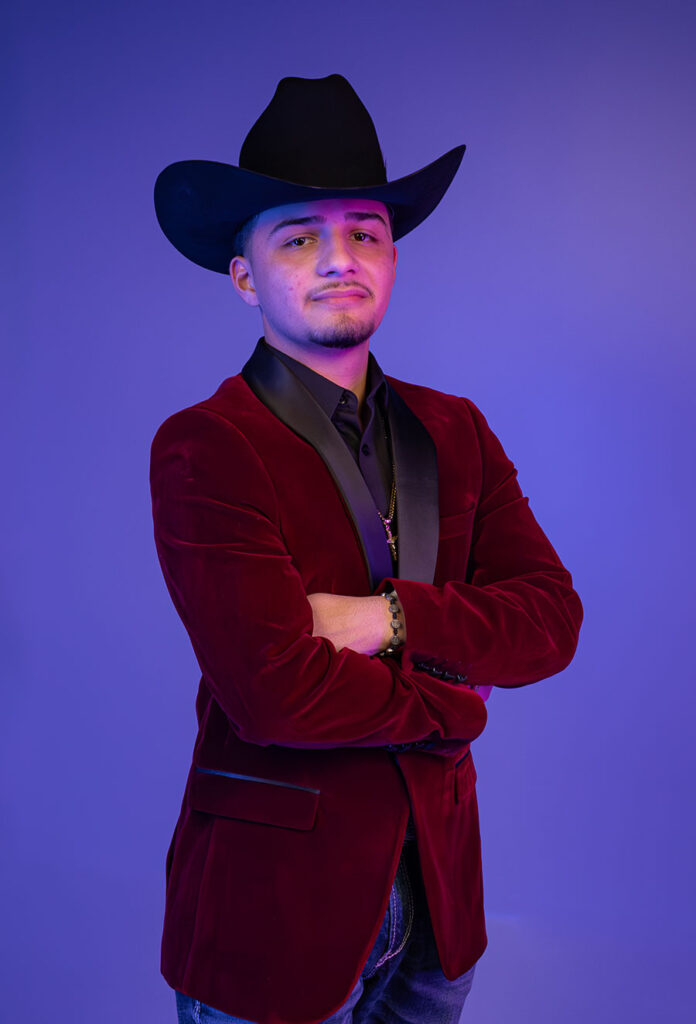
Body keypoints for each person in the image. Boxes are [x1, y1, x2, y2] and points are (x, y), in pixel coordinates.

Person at [150, 74, 583, 1024]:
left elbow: (552, 623)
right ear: (245, 275)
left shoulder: (457, 429)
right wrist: (454, 704)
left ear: (392, 257)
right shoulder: (206, 444)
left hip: (439, 914)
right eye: (298, 238)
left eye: (366, 233)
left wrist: (386, 618)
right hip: (274, 916)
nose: (340, 259)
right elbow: (272, 693)